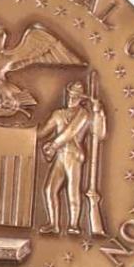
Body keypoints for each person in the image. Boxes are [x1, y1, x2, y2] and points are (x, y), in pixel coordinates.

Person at [37, 81, 106, 235]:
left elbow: (97, 134)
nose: (72, 97)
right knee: (49, 189)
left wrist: (99, 114)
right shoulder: (58, 114)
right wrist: (26, 132)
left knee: (72, 191)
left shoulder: (84, 115)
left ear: (81, 98)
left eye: (76, 95)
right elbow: (41, 133)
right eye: (71, 94)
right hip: (60, 155)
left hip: (73, 155)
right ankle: (53, 224)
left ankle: (74, 225)